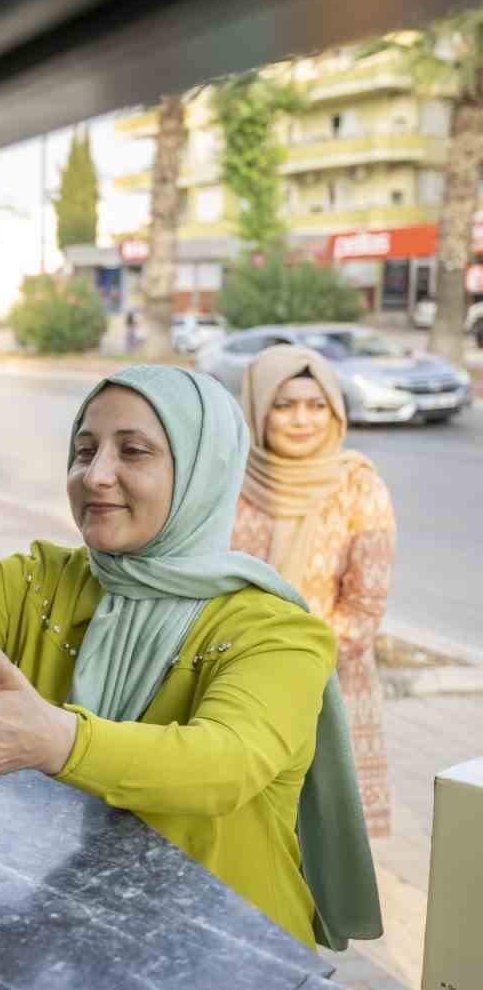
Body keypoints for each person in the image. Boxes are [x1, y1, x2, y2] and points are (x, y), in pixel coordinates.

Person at [0, 365, 381, 950]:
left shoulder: (277, 632)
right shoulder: (40, 580)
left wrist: (57, 741)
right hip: (73, 919)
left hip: (230, 946)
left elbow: (227, 763)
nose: (95, 476)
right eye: (83, 450)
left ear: (203, 470)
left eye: (134, 452)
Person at [231, 344, 395, 838]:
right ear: (259, 410)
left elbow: (364, 606)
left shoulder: (357, 486)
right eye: (284, 405)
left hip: (330, 683)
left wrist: (297, 668)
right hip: (234, 679)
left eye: (316, 405)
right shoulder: (229, 480)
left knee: (323, 840)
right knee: (245, 830)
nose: (302, 419)